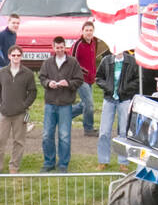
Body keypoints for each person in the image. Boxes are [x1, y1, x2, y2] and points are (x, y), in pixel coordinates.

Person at [39, 36, 84, 174]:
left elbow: (79, 79)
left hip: (65, 104)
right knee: (47, 134)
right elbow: (41, 77)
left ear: (65, 47)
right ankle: (49, 163)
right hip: (50, 103)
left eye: (61, 48)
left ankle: (63, 164)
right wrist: (48, 83)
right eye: (57, 48)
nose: (59, 50)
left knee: (64, 135)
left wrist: (69, 83)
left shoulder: (73, 62)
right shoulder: (47, 62)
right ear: (53, 48)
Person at [95, 47, 138, 170]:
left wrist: (125, 89)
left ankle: (123, 162)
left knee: (124, 131)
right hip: (109, 99)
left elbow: (137, 79)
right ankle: (103, 160)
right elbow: (98, 78)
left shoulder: (131, 61)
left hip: (124, 99)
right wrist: (108, 87)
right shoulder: (106, 61)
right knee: (104, 131)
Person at [0, 46, 37, 173]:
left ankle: (14, 167)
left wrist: (24, 105)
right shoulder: (2, 72)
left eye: (18, 55)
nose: (16, 57)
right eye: (13, 55)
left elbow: (33, 92)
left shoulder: (28, 73)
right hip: (4, 114)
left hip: (20, 114)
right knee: (0, 140)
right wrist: (1, 105)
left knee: (19, 142)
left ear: (21, 56)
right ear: (9, 56)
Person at [69, 20, 105, 137]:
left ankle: (63, 115)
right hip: (80, 78)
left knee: (84, 104)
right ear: (82, 31)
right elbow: (72, 61)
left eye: (91, 30)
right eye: (86, 30)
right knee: (89, 104)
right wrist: (83, 71)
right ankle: (88, 128)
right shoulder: (78, 44)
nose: (89, 33)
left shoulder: (94, 42)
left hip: (90, 78)